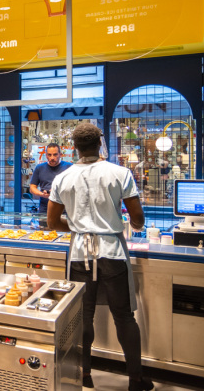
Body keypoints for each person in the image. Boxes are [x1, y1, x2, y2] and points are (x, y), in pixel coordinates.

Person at [46, 123, 153, 391]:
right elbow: (138, 219)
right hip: (112, 252)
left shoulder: (63, 178)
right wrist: (129, 223)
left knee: (83, 316)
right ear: (100, 144)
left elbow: (52, 222)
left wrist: (79, 227)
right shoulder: (120, 173)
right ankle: (136, 380)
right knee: (124, 317)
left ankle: (83, 375)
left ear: (74, 148)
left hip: (80, 253)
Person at [29, 143, 72, 214]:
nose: (52, 158)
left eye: (55, 154)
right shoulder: (39, 168)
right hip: (45, 208)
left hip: (65, 208)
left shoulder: (69, 167)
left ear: (60, 155)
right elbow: (32, 188)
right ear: (46, 155)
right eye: (49, 155)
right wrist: (42, 194)